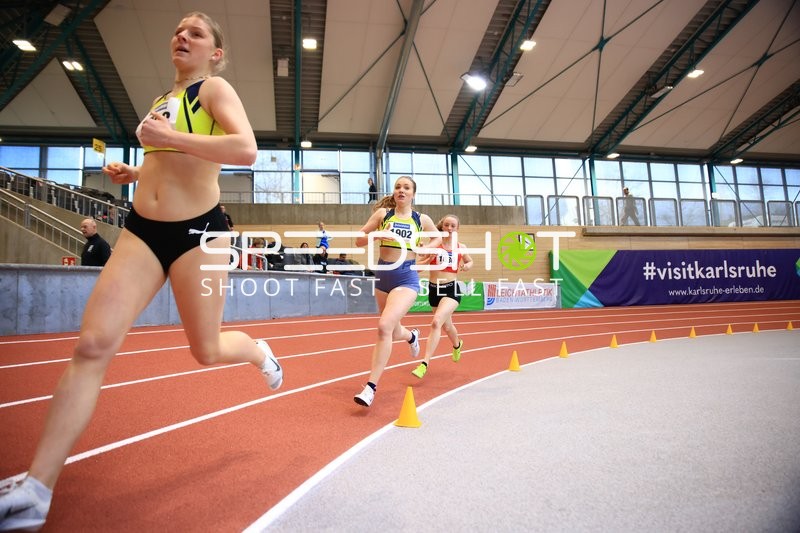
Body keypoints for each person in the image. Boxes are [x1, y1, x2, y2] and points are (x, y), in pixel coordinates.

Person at [0, 12, 283, 531]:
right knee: (91, 345)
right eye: (178, 29)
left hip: (202, 233)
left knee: (206, 349)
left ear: (214, 52)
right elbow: (173, 159)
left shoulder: (212, 90)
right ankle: (35, 489)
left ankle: (258, 351)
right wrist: (138, 170)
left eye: (196, 33)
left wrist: (169, 139)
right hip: (142, 230)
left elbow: (245, 150)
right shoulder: (160, 101)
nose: (183, 36)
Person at [353, 176, 441, 407]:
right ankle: (411, 336)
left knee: (384, 326)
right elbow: (358, 240)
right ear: (394, 192)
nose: (401, 190)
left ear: (413, 194)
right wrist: (376, 235)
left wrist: (425, 247)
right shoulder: (383, 215)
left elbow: (438, 237)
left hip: (406, 276)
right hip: (383, 275)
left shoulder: (421, 219)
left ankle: (370, 387)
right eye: (398, 187)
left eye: (406, 187)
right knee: (392, 331)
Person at [412, 215, 473, 378]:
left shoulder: (461, 247)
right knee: (446, 326)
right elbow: (418, 267)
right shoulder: (435, 246)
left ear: (457, 228)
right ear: (442, 227)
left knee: (436, 322)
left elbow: (470, 261)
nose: (450, 228)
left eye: (453, 226)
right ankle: (457, 344)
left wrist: (466, 265)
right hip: (434, 290)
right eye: (447, 225)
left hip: (451, 289)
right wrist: (422, 252)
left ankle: (424, 363)